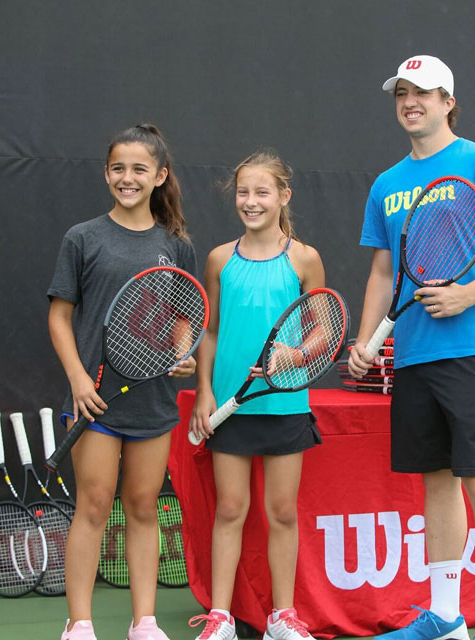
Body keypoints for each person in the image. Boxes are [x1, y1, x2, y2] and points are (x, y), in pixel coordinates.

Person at [348, 56, 475, 640]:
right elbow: (383, 271)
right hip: (413, 355)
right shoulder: (386, 185)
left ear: (448, 102)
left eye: (424, 93)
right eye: (402, 94)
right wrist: (366, 339)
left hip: (474, 348)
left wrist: (467, 294)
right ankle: (445, 617)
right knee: (436, 481)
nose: (411, 102)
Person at [47, 124, 198, 640]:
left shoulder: (176, 244)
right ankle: (79, 624)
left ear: (160, 175)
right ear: (106, 173)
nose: (127, 178)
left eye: (139, 169)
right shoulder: (83, 238)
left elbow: (184, 315)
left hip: (153, 402)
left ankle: (144, 623)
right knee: (92, 507)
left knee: (142, 508)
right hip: (94, 402)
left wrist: (183, 352)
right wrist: (77, 380)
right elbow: (59, 317)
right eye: (118, 168)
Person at [188, 149, 324, 640]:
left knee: (282, 512)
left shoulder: (304, 259)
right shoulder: (219, 259)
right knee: (229, 509)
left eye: (262, 192)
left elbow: (323, 332)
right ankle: (221, 618)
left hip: (285, 404)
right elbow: (209, 331)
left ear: (283, 196)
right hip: (231, 407)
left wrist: (295, 355)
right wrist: (204, 392)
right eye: (243, 192)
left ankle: (281, 618)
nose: (251, 201)